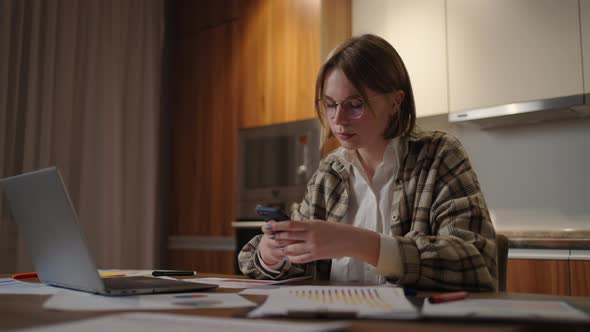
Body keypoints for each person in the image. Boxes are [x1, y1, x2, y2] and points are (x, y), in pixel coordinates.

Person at [238, 34, 497, 291]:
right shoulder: (331, 172)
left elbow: (475, 263)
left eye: (354, 104)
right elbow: (284, 264)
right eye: (330, 104)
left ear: (395, 102)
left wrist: (360, 243)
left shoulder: (438, 155)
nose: (338, 119)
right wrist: (271, 254)